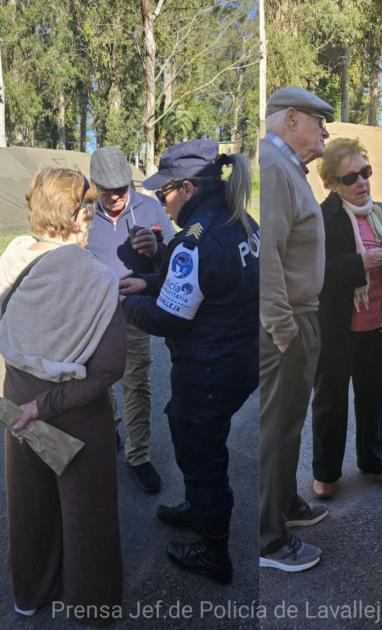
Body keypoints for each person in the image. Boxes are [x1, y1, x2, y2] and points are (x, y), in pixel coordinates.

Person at [118, 139, 259, 583]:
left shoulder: (195, 242)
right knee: (200, 440)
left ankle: (214, 552)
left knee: (202, 456)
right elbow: (208, 280)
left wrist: (126, 303)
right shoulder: (239, 219)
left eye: (164, 194)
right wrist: (157, 268)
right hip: (238, 358)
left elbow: (168, 320)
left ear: (187, 189)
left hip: (209, 367)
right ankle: (200, 508)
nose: (163, 202)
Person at [0, 168, 126, 623]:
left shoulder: (12, 255)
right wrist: (49, 403)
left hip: (16, 396)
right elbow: (111, 366)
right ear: (79, 216)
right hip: (74, 407)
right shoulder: (95, 276)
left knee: (28, 504)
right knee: (86, 513)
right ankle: (92, 608)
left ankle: (30, 594)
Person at [259, 86, 333, 573]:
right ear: (290, 120)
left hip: (301, 315)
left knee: (288, 426)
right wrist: (283, 328)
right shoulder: (274, 167)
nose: (326, 130)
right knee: (276, 430)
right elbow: (270, 256)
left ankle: (284, 505)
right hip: (287, 322)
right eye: (318, 121)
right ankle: (268, 541)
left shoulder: (286, 168)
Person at [311, 138, 382, 500]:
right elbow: (314, 272)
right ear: (332, 184)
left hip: (379, 324)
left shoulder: (380, 211)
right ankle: (326, 471)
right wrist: (361, 263)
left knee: (372, 396)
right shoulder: (322, 217)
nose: (362, 182)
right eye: (351, 178)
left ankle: (373, 460)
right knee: (331, 403)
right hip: (337, 327)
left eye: (365, 172)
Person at [88, 145, 175, 494]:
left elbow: (174, 259)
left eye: (121, 190)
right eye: (106, 191)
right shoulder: (83, 213)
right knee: (99, 381)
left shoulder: (150, 207)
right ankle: (111, 430)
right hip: (93, 312)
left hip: (135, 311)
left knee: (136, 383)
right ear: (95, 186)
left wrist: (155, 251)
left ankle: (139, 456)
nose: (114, 198)